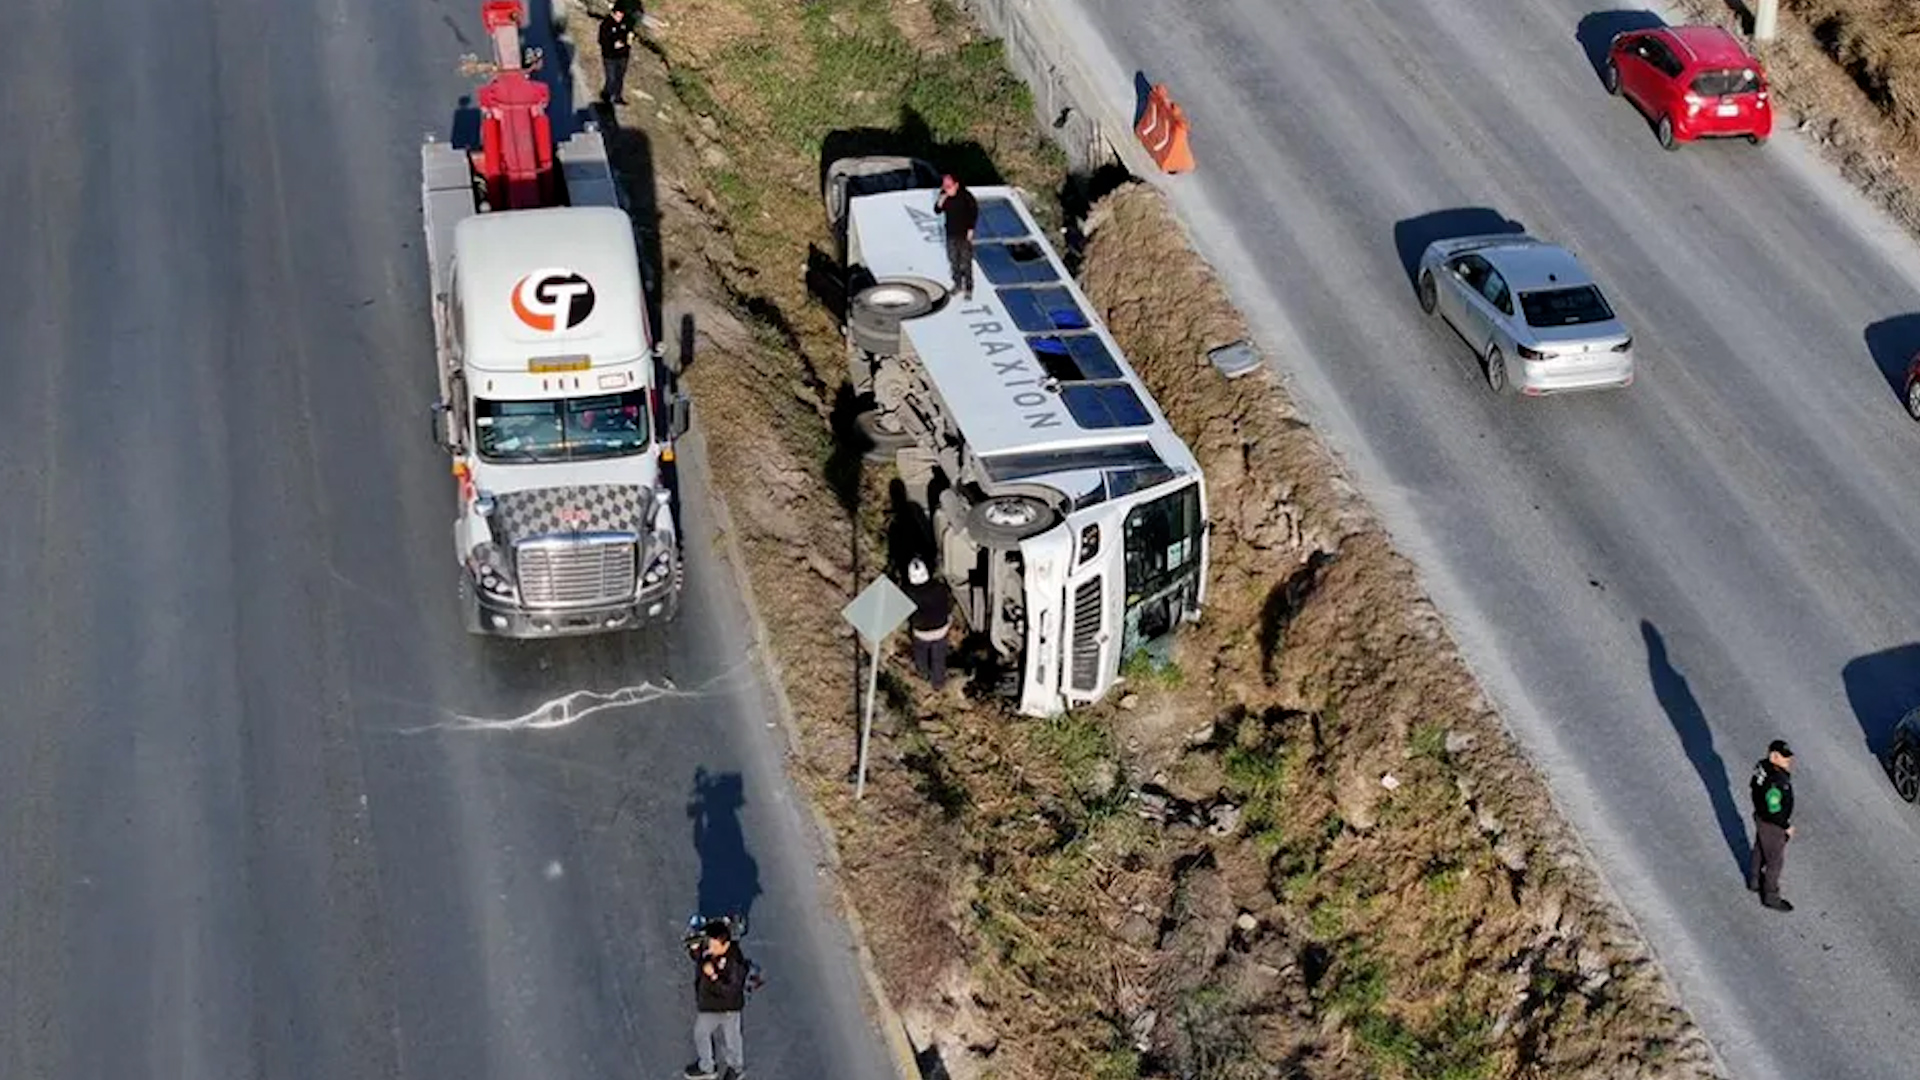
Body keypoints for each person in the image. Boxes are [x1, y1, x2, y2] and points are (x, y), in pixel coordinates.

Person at [685, 920, 750, 1079]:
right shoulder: (709, 950)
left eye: (715, 946)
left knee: (732, 1039)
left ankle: (735, 1069)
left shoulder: (735, 962)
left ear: (726, 944)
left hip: (728, 1007)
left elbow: (732, 989)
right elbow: (699, 958)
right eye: (709, 944)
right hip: (708, 1004)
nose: (711, 949)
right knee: (701, 1033)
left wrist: (714, 976)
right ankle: (707, 1067)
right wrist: (694, 950)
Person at [1747, 739, 1796, 912]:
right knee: (1775, 861)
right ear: (1773, 756)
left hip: (1761, 817)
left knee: (1760, 848)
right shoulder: (1776, 780)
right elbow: (1774, 808)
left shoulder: (1762, 766)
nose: (1788, 760)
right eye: (1784, 757)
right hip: (1772, 823)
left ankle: (1754, 880)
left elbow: (1753, 786)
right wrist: (1785, 826)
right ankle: (1771, 896)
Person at [903, 557, 952, 690]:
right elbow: (948, 604)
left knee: (921, 654)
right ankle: (938, 683)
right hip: (941, 628)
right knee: (939, 658)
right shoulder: (939, 587)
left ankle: (923, 674)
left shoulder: (908, 593)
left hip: (921, 632)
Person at [933, 174, 978, 301]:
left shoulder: (965, 196)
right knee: (953, 261)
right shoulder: (944, 195)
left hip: (964, 234)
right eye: (944, 186)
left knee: (966, 261)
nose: (946, 188)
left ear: (956, 185)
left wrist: (971, 228)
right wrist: (941, 200)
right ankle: (958, 284)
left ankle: (969, 287)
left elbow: (973, 211)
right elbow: (937, 210)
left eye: (949, 186)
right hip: (951, 233)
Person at [597, 4, 637, 106]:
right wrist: (613, 44)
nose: (619, 18)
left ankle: (617, 97)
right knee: (611, 78)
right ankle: (606, 97)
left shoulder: (625, 23)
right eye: (618, 16)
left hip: (623, 55)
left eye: (621, 16)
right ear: (613, 14)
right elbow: (601, 40)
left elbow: (628, 35)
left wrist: (629, 39)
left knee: (620, 77)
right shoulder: (606, 24)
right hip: (610, 56)